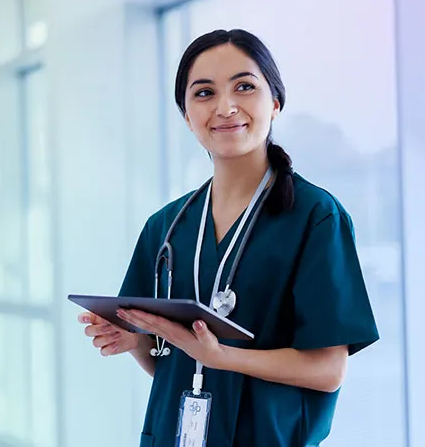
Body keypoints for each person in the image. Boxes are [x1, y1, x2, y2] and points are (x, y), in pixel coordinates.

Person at [77, 28, 379, 447]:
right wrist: (134, 341)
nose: (225, 106)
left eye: (244, 86)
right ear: (186, 115)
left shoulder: (315, 217)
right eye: (203, 93)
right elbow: (169, 365)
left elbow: (327, 371)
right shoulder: (164, 228)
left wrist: (220, 357)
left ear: (274, 102)